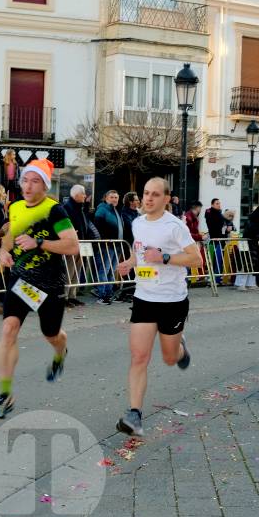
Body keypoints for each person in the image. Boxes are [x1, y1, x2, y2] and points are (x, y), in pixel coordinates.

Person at [0, 159, 78, 419]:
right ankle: (6, 394)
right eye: (25, 180)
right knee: (8, 330)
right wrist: (4, 253)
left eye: (35, 181)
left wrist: (39, 242)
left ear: (44, 185)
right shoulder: (15, 207)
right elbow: (9, 236)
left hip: (49, 285)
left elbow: (72, 245)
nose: (28, 186)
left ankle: (60, 352)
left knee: (51, 335)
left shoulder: (55, 211)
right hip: (20, 282)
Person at [112, 177, 199, 437]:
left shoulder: (175, 226)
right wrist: (130, 263)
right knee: (139, 357)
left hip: (172, 300)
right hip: (144, 297)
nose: (148, 198)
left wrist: (164, 257)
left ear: (165, 198)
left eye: (155, 194)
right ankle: (134, 414)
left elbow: (196, 259)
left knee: (169, 358)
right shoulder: (137, 223)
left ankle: (181, 350)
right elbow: (139, 254)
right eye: (146, 193)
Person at [93, 189, 125, 304]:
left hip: (117, 245)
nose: (114, 199)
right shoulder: (102, 209)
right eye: (112, 197)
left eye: (116, 197)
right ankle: (102, 295)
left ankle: (109, 293)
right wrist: (104, 241)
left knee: (112, 270)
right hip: (107, 245)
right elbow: (98, 227)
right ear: (106, 198)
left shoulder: (116, 210)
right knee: (104, 270)